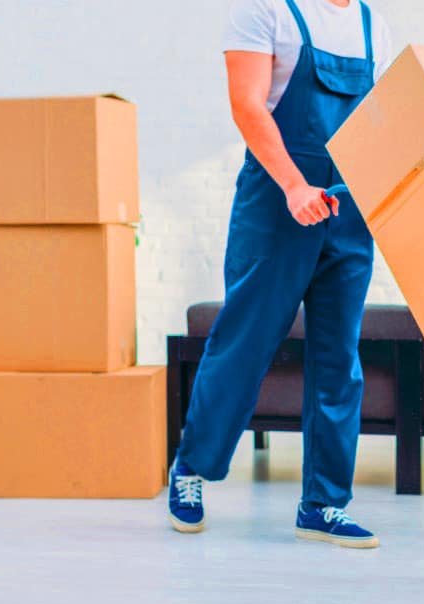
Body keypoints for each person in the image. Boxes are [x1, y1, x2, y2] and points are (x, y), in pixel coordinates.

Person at [167, 0, 392, 548]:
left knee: (338, 358)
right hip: (276, 201)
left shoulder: (372, 26)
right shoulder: (267, 10)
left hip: (347, 210)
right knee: (245, 343)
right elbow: (247, 105)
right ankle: (192, 467)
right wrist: (294, 186)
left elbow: (378, 124)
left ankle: (323, 504)